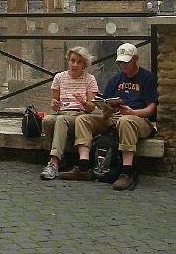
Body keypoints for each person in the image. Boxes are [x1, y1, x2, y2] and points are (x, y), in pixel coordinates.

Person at [60, 43, 158, 191]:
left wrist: (133, 113)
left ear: (136, 59)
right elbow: (105, 109)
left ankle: (127, 171)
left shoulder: (147, 77)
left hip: (138, 118)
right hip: (115, 117)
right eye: (120, 62)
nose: (123, 65)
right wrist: (106, 110)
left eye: (126, 62)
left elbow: (152, 108)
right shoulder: (115, 80)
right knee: (83, 119)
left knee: (125, 121)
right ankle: (84, 166)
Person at [39, 47, 99, 180]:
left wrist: (83, 101)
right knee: (47, 120)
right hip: (62, 112)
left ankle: (53, 163)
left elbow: (91, 108)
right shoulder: (59, 77)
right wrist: (54, 104)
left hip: (79, 116)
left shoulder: (89, 79)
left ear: (84, 64)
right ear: (68, 61)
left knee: (61, 120)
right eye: (72, 61)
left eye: (79, 62)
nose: (75, 65)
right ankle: (62, 159)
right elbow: (55, 103)